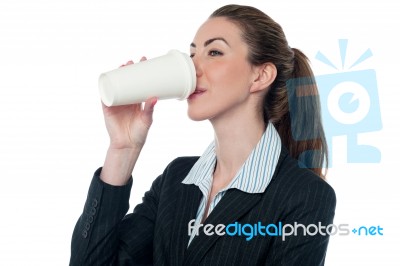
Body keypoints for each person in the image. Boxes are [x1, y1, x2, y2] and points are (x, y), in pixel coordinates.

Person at [70, 4, 336, 266]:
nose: (193, 69)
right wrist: (122, 149)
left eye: (215, 52)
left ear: (260, 76)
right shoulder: (177, 178)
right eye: (192, 55)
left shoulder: (305, 195)